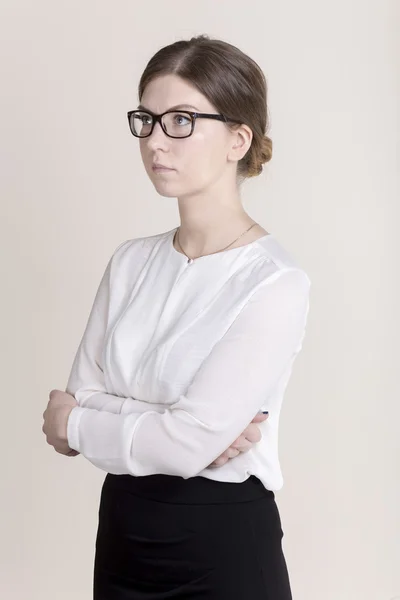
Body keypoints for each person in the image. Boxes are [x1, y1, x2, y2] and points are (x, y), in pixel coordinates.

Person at [42, 34, 311, 599]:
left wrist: (81, 421)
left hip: (223, 545)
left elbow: (89, 420)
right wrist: (170, 427)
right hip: (122, 531)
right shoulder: (130, 260)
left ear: (239, 138)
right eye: (148, 119)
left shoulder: (274, 282)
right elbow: (88, 397)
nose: (156, 142)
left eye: (182, 121)